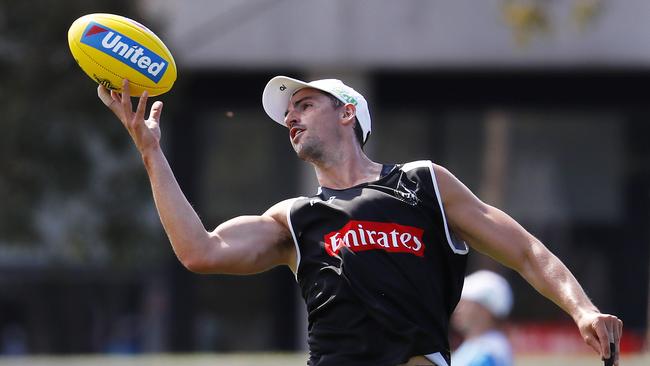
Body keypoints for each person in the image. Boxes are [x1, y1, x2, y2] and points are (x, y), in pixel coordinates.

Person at [97, 76, 623, 366]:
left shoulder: (424, 183)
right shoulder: (296, 217)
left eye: (303, 105)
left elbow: (527, 250)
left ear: (347, 113)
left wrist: (582, 310)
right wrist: (151, 154)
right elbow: (201, 250)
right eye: (288, 115)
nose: (291, 119)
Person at [451, 270, 514, 366]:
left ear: (484, 309)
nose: (457, 309)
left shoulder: (488, 353)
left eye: (464, 302)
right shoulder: (479, 347)